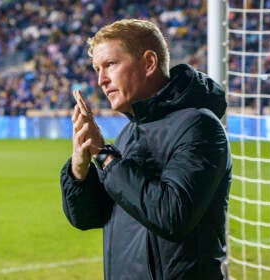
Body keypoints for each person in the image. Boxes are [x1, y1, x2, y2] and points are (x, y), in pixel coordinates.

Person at [60, 18, 232, 280]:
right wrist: (79, 168)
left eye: (110, 65)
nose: (101, 80)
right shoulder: (129, 134)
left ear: (149, 63)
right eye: (97, 69)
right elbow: (88, 218)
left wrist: (105, 158)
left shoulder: (199, 126)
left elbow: (171, 216)